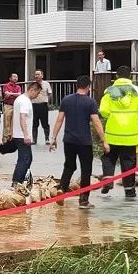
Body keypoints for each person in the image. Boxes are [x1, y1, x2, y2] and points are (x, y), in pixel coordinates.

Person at [49, 75, 110, 209]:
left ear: (77, 85)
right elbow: (96, 123)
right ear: (88, 87)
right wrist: (104, 141)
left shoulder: (66, 100)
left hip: (69, 140)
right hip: (84, 142)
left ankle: (62, 189)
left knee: (69, 165)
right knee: (86, 170)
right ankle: (83, 200)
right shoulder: (90, 102)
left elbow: (59, 120)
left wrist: (53, 138)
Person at [99, 66, 138, 198]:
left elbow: (104, 112)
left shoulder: (109, 91)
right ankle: (129, 190)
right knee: (129, 161)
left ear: (117, 76)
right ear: (130, 77)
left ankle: (108, 179)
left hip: (112, 134)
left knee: (109, 158)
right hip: (130, 135)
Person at [11, 82, 41, 187]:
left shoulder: (19, 99)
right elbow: (22, 117)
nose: (37, 96)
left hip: (18, 134)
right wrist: (26, 135)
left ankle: (21, 179)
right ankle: (17, 181)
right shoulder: (24, 101)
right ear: (32, 90)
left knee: (24, 158)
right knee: (25, 159)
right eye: (37, 93)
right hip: (22, 135)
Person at [31, 70, 53, 145]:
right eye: (35, 74)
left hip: (43, 105)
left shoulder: (46, 84)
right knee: (34, 123)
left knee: (45, 123)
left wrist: (47, 102)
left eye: (38, 74)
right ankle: (34, 140)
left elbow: (50, 94)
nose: (36, 76)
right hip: (34, 105)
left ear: (42, 76)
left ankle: (47, 138)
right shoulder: (32, 85)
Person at [2, 73, 22, 143]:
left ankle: (12, 139)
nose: (16, 78)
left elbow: (19, 95)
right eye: (14, 76)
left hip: (16, 106)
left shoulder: (18, 87)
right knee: (7, 122)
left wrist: (11, 94)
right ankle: (5, 139)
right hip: (8, 106)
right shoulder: (6, 85)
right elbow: (6, 94)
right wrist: (14, 94)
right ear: (10, 78)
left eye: (16, 77)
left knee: (14, 122)